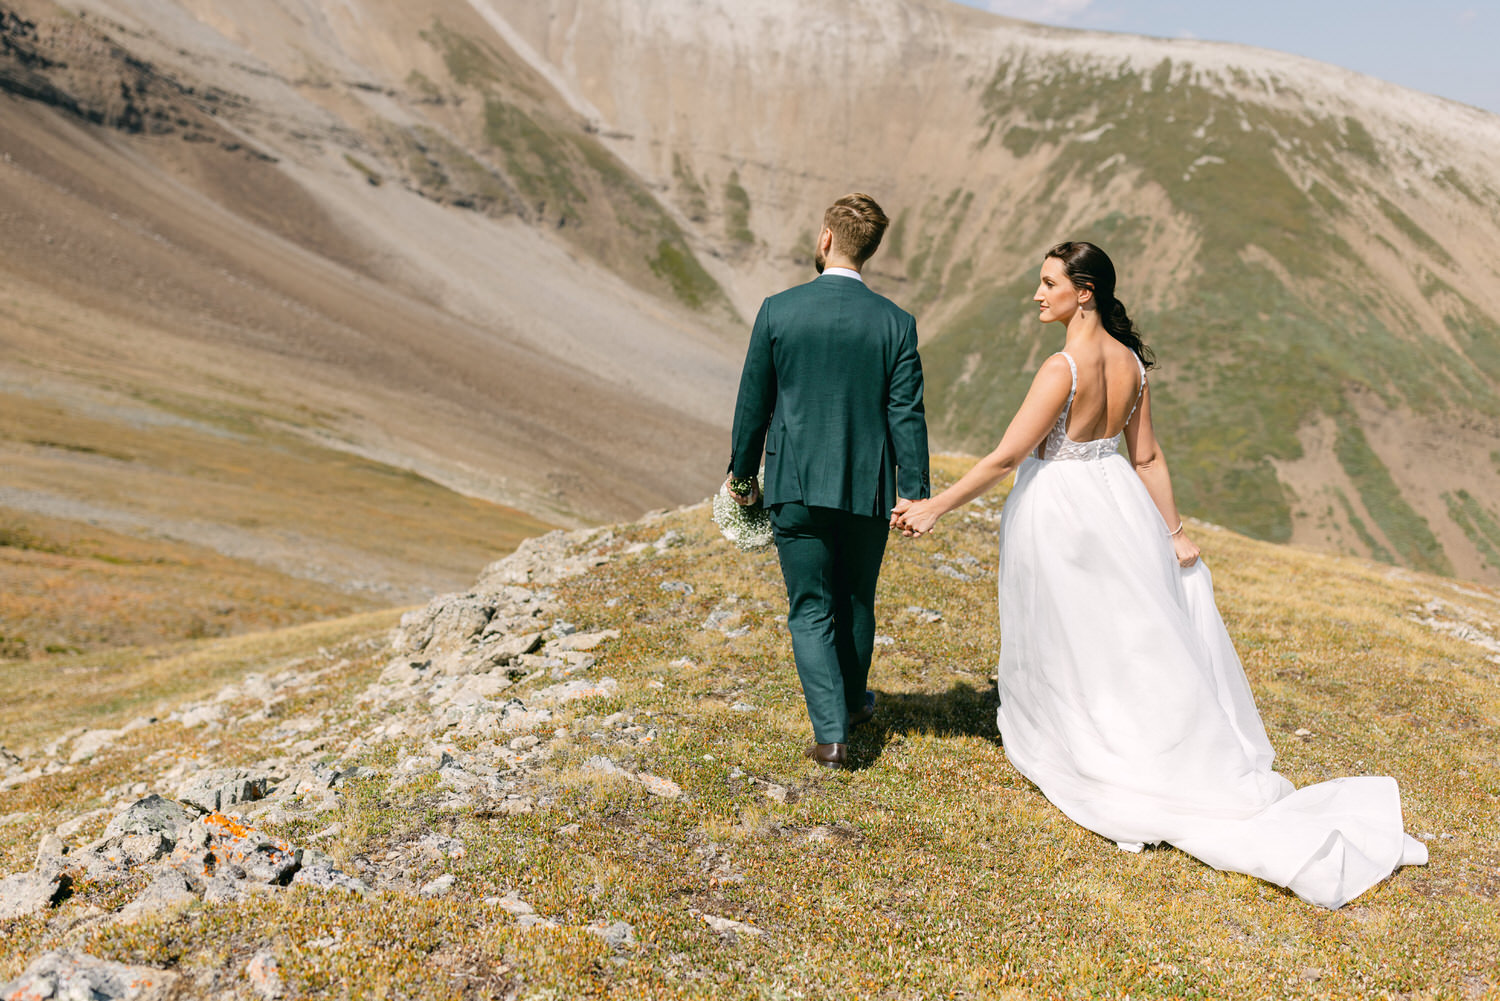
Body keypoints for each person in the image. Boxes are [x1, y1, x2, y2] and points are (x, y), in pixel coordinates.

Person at [893, 241, 1426, 908]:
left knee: (1072, 634)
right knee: (1118, 635)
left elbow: (1007, 456)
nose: (1037, 293)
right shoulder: (1133, 365)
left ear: (1083, 292)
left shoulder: (1063, 367)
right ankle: (1134, 733)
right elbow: (1146, 458)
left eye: (1048, 282)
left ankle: (1089, 742)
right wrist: (1173, 531)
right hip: (1117, 505)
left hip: (1060, 511)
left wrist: (935, 505)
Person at [726, 192, 929, 770]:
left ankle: (832, 733)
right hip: (869, 490)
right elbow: (905, 414)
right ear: (870, 249)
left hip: (794, 483)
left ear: (824, 238)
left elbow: (752, 405)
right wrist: (913, 489)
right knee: (857, 597)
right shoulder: (896, 323)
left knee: (811, 605)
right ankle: (852, 705)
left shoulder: (778, 310)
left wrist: (742, 475)